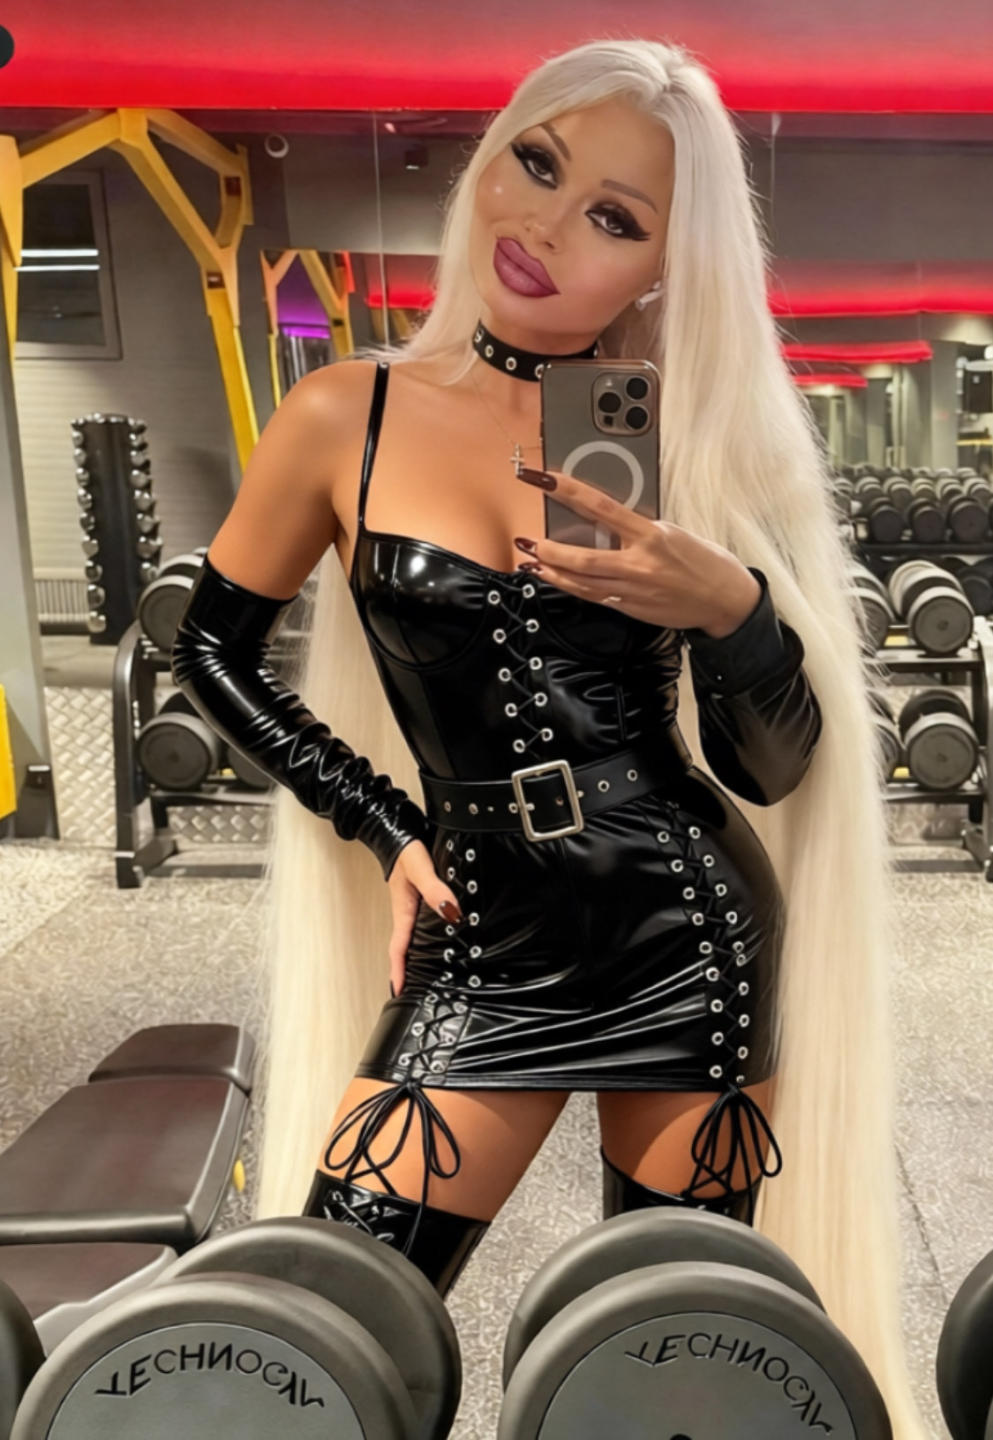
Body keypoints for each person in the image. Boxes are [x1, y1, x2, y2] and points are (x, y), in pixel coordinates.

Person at [171, 37, 929, 1437]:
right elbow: (209, 651)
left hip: (682, 928)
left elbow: (773, 767)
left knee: (669, 1367)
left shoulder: (686, 440)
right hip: (481, 937)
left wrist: (732, 611)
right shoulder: (346, 411)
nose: (544, 224)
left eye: (614, 218)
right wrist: (383, 825)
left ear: (662, 270)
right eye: (536, 162)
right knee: (322, 1334)